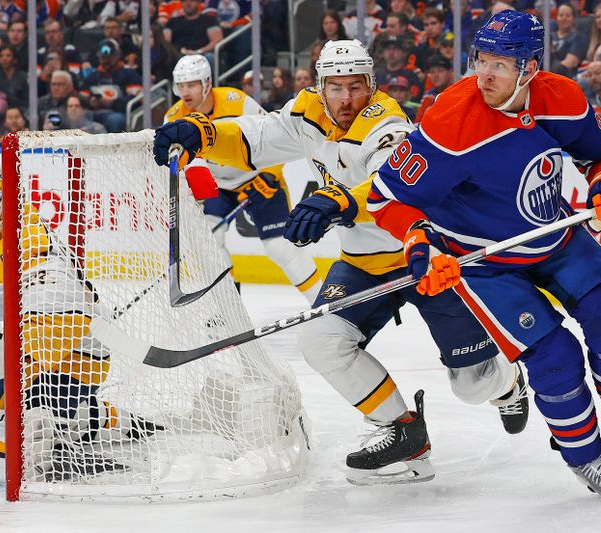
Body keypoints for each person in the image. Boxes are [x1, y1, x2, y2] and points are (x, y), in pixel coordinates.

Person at [153, 39, 529, 486]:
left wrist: (338, 201)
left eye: (356, 87)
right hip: (364, 261)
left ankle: (507, 382)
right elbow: (257, 137)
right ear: (320, 87)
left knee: (472, 387)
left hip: (424, 256)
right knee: (322, 341)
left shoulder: (386, 121)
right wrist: (206, 135)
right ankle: (404, 432)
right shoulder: (308, 113)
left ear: (371, 85)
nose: (347, 98)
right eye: (336, 88)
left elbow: (395, 189)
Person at [367, 10, 601, 501]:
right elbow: (385, 197)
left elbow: (600, 154)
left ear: (529, 67)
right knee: (554, 357)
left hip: (553, 234)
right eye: (480, 59)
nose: (484, 74)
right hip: (484, 261)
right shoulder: (451, 121)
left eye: (500, 65)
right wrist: (419, 243)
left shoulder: (562, 98)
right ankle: (585, 456)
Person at [0, 160, 158, 482]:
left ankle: (63, 434)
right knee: (7, 419)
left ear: (4, 206)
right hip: (24, 357)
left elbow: (56, 329)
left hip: (70, 361)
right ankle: (95, 419)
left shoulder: (31, 245)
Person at [163, 55, 322, 303]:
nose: (185, 92)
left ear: (207, 83)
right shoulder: (174, 118)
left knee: (280, 247)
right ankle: (229, 308)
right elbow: (179, 166)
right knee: (210, 244)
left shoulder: (236, 102)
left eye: (191, 84)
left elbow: (273, 134)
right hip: (217, 185)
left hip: (258, 178)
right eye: (180, 86)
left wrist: (271, 173)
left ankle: (324, 305)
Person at [80, 39, 143, 133]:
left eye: (109, 58)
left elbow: (135, 100)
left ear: (117, 56)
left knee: (116, 120)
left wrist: (111, 103)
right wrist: (90, 102)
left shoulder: (129, 74)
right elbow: (81, 99)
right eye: (103, 58)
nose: (106, 61)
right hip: (93, 113)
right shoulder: (92, 77)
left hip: (118, 113)